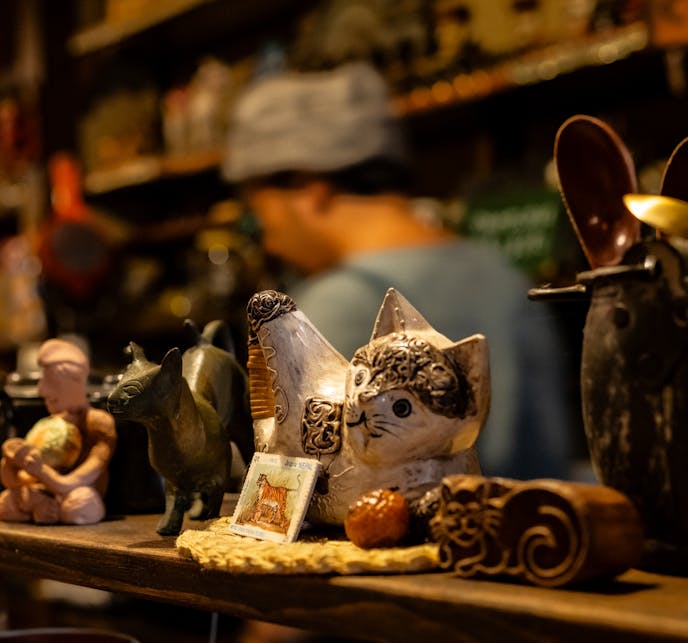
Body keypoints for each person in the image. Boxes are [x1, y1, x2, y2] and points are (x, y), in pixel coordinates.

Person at [223, 62, 571, 479]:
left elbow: (298, 480)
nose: (268, 239)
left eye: (260, 213)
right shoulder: (502, 277)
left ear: (309, 189)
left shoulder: (329, 310)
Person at [0, 339, 117, 524]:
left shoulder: (98, 423)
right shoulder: (52, 424)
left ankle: (45, 508)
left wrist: (40, 470)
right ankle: (43, 506)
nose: (41, 390)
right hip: (46, 488)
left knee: (77, 507)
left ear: (76, 382)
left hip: (72, 492)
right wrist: (12, 460)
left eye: (50, 381)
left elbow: (70, 483)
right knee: (5, 506)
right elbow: (15, 481)